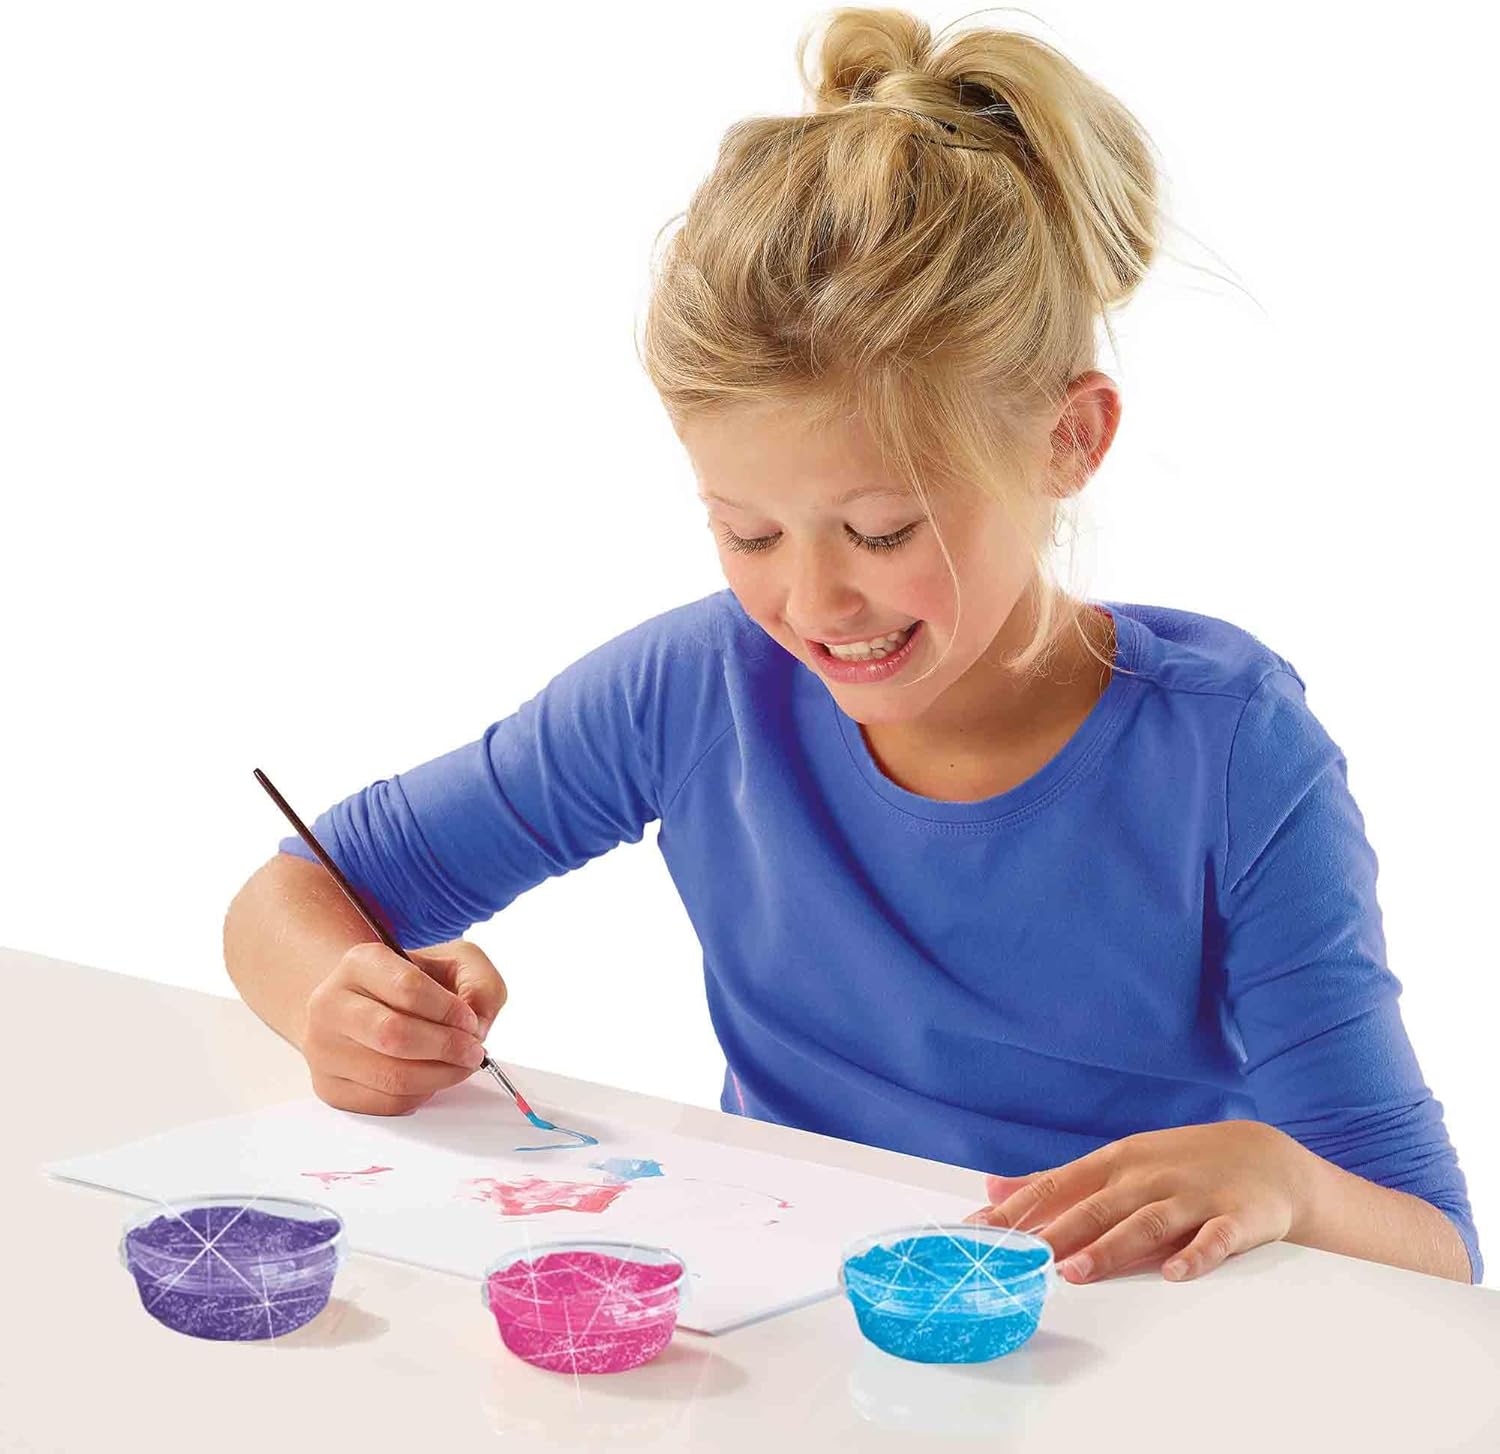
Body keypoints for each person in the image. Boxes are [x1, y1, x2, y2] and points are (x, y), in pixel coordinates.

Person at [223, 7, 1481, 1288]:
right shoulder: (701, 686)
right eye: (749, 532)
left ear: (1069, 442)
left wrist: (1286, 1180)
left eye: (883, 529)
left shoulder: (1229, 748)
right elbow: (298, 890)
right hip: (790, 1326)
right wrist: (340, 1002)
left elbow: (1435, 1246)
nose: (815, 602)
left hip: (1122, 1337)